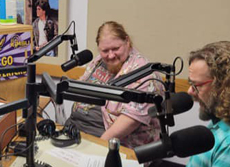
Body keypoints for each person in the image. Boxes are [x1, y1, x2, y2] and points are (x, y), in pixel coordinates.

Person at [65, 21, 162, 149]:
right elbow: (84, 83)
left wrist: (96, 148)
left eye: (116, 49)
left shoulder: (145, 74)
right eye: (105, 50)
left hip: (116, 143)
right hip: (78, 130)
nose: (110, 55)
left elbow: (131, 120)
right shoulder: (99, 60)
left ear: (127, 41)